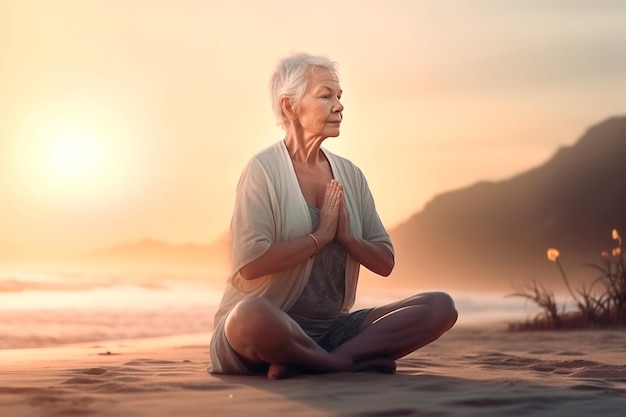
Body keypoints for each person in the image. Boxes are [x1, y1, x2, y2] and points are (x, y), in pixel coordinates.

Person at [209, 52, 457, 379]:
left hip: (331, 330)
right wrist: (319, 237)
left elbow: (385, 262)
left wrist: (348, 238)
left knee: (439, 306)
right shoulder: (263, 171)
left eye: (339, 96)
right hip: (270, 326)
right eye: (325, 96)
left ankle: (316, 362)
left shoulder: (350, 176)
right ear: (289, 106)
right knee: (248, 316)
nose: (339, 106)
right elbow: (250, 265)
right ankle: (338, 364)